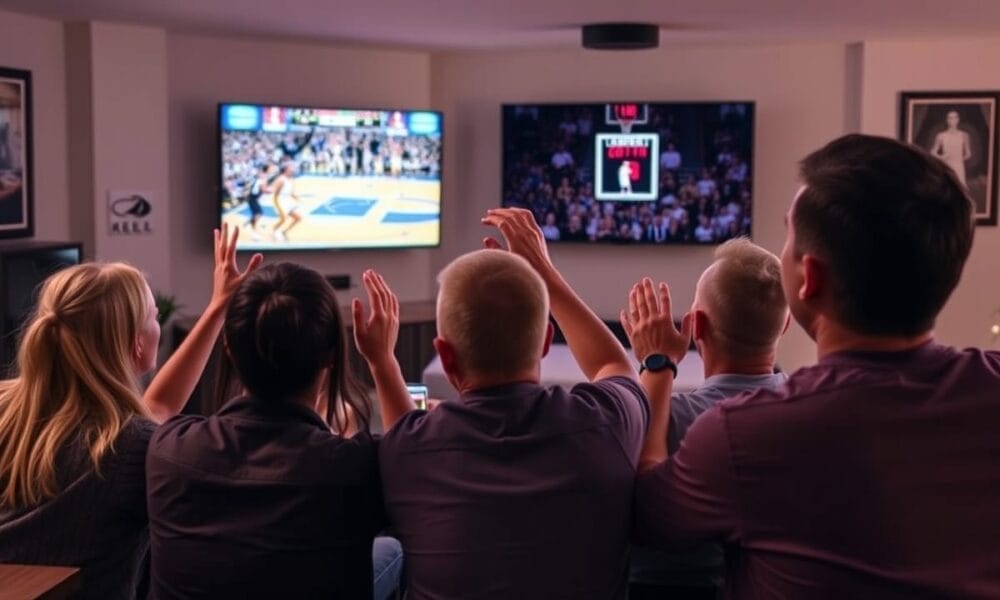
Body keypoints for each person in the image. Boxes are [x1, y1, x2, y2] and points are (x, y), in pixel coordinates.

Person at [633, 133, 1000, 598]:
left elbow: (647, 519)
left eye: (788, 237)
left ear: (809, 279)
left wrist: (657, 364)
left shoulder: (744, 433)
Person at [366, 207, 649, 598]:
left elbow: (402, 433)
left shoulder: (408, 450)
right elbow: (613, 363)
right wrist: (545, 274)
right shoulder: (607, 424)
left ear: (444, 356)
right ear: (547, 341)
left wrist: (383, 362)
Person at [0, 224, 261, 599]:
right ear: (137, 345)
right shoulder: (131, 448)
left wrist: (218, 307)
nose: (159, 322)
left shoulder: (9, 406)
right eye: (155, 315)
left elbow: (158, 408)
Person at [146, 262, 401, 600]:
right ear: (332, 357)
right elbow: (413, 461)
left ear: (230, 351)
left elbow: (155, 408)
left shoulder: (168, 450)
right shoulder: (359, 467)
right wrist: (383, 361)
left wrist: (217, 307)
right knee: (392, 549)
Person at [625, 238, 789, 599]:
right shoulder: (808, 411)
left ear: (695, 326)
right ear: (787, 322)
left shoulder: (670, 416)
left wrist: (656, 364)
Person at [930, 109, 972, 188]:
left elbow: (968, 154)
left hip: (959, 166)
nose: (952, 120)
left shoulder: (964, 135)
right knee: (946, 187)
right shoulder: (941, 135)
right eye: (950, 118)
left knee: (959, 187)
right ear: (947, 120)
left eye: (954, 118)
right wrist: (941, 157)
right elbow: (933, 151)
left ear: (958, 120)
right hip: (946, 164)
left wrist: (959, 158)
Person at [271, 162, 303, 242]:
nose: (293, 169)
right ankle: (274, 231)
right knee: (283, 219)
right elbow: (275, 194)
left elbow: (291, 192)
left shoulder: (291, 179)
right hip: (280, 201)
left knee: (298, 218)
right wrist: (277, 204)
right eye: (290, 167)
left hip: (288, 201)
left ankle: (284, 232)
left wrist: (296, 197)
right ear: (285, 169)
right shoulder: (280, 179)